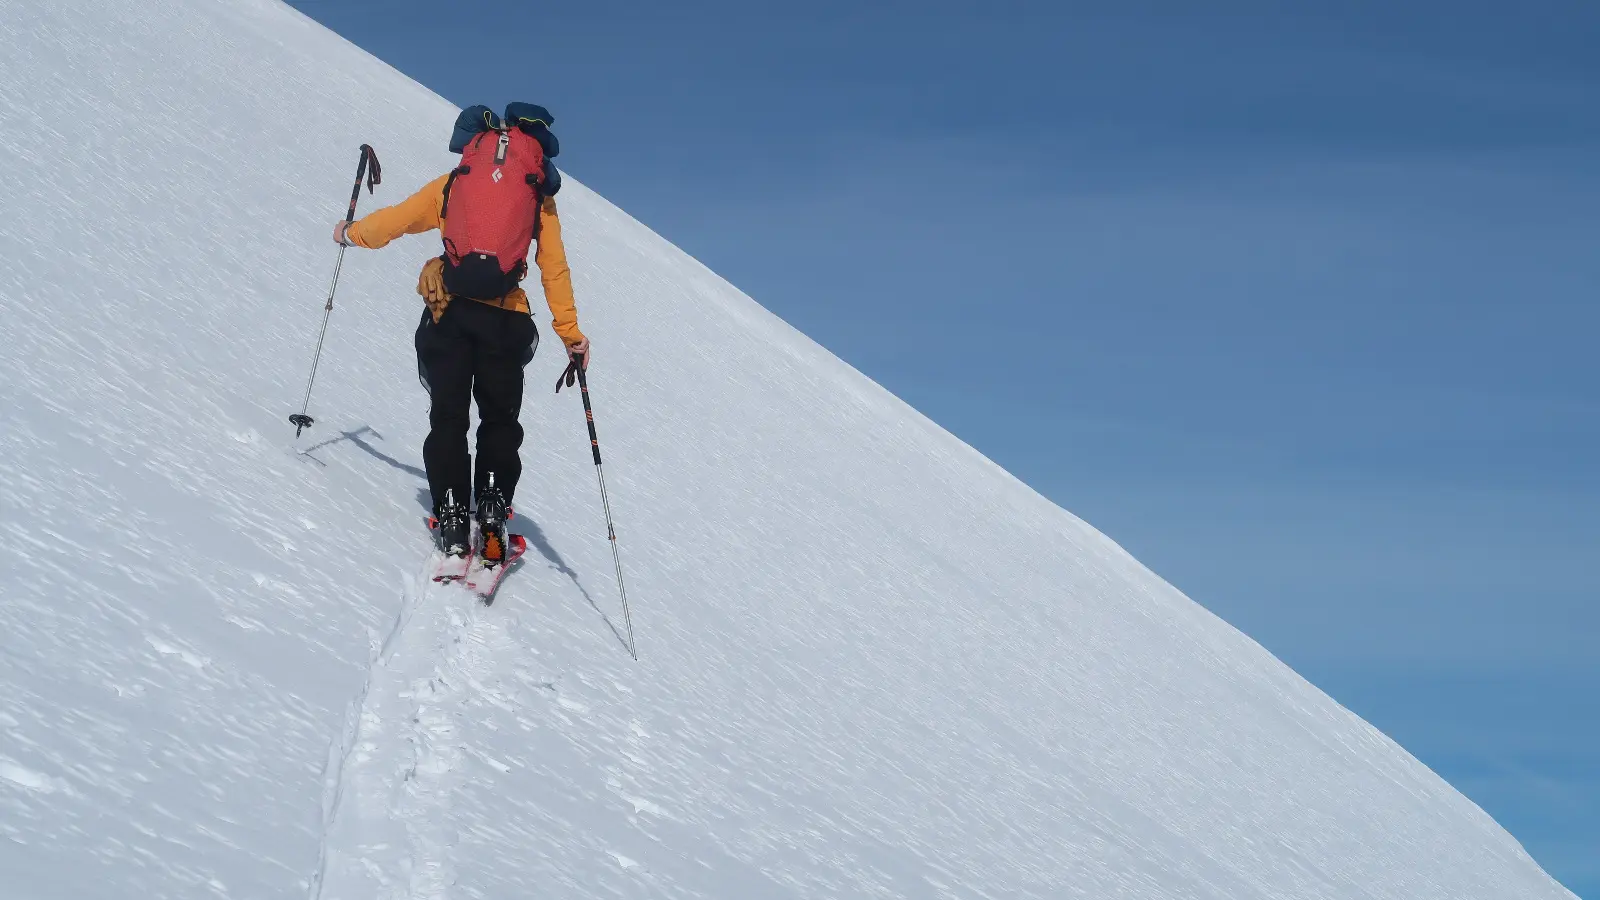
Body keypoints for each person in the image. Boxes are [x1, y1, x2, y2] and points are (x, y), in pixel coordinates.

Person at [333, 103, 587, 565]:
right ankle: (491, 508)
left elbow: (397, 220)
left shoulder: (455, 184)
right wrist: (570, 334)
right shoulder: (536, 195)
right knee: (500, 419)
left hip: (448, 314)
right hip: (508, 321)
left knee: (448, 415)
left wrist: (351, 233)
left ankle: (451, 511)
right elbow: (555, 268)